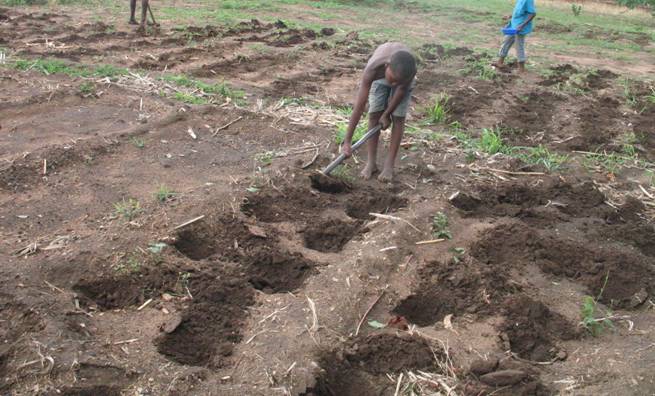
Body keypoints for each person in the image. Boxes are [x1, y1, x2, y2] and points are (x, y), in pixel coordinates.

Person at [341, 42, 417, 182]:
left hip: (401, 76)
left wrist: (387, 114)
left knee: (398, 118)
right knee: (374, 115)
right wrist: (347, 141)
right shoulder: (372, 70)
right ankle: (371, 163)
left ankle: (389, 165)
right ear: (386, 67)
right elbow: (359, 106)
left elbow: (400, 90)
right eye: (392, 80)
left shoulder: (408, 72)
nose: (393, 85)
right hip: (380, 77)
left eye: (397, 83)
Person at [495, 0, 536, 72]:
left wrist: (521, 26)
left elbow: (532, 13)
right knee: (506, 42)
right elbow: (518, 12)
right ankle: (500, 62)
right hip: (513, 26)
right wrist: (510, 17)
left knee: (519, 46)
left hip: (520, 28)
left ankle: (521, 68)